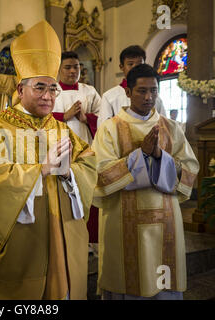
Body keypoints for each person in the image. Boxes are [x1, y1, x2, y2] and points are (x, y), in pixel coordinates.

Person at [0, 20, 97, 300]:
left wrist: (70, 173)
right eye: (39, 88)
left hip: (59, 229)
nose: (48, 96)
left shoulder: (59, 128)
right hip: (20, 237)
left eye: (52, 88)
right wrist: (40, 171)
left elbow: (89, 161)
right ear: (20, 90)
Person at [92, 64, 199, 300]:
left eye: (153, 90)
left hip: (166, 218)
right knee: (126, 278)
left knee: (165, 284)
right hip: (122, 218)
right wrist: (140, 155)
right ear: (128, 92)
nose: (149, 97)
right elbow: (98, 173)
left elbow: (190, 169)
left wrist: (161, 157)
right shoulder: (109, 129)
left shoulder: (170, 128)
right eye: (141, 91)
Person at [52, 50, 101, 253]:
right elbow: (40, 117)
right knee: (63, 193)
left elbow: (103, 118)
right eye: (68, 67)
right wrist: (64, 115)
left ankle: (88, 240)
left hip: (85, 151)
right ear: (59, 69)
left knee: (86, 191)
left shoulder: (89, 91)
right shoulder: (52, 90)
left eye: (77, 67)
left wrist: (86, 118)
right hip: (59, 151)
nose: (73, 71)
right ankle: (63, 237)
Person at [97, 45, 166, 127]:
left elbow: (164, 125)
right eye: (130, 64)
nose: (135, 67)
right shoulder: (109, 97)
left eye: (139, 64)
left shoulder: (155, 99)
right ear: (121, 67)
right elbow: (104, 128)